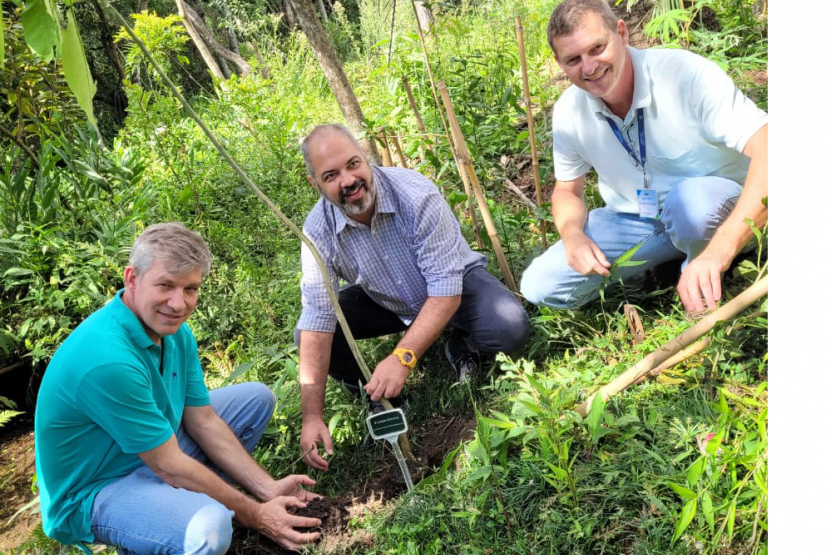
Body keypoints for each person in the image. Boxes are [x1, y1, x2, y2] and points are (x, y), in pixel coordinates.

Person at [34, 223, 321, 555]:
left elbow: (204, 421)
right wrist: (257, 515)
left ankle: (173, 510)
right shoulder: (107, 359)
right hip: (95, 488)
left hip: (147, 452)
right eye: (165, 285)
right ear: (132, 279)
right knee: (210, 531)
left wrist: (267, 488)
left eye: (190, 288)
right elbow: (168, 464)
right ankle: (162, 526)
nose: (178, 303)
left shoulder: (175, 334)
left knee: (255, 399)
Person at [295, 124, 531, 472]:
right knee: (307, 334)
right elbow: (317, 321)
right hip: (385, 300)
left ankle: (460, 344)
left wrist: (402, 357)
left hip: (454, 288)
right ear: (315, 184)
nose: (348, 181)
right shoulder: (317, 232)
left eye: (353, 164)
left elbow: (445, 290)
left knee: (510, 328)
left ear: (366, 159)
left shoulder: (415, 195)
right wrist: (312, 416)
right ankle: (380, 395)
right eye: (331, 175)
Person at [519, 0, 768, 314]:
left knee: (690, 205)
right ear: (558, 63)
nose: (590, 67)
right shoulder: (569, 111)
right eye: (573, 59)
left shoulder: (683, 74)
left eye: (597, 48)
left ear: (621, 33)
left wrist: (720, 249)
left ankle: (720, 265)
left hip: (718, 210)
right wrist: (572, 235)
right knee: (540, 286)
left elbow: (770, 148)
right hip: (640, 218)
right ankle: (666, 267)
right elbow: (567, 190)